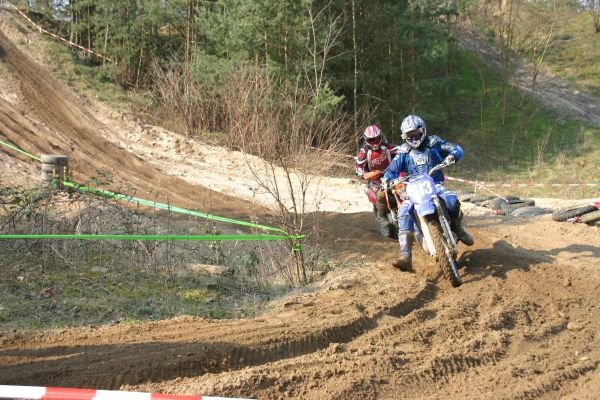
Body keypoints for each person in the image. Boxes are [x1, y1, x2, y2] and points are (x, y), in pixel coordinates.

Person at [382, 114, 473, 272]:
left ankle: (458, 228)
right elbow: (392, 169)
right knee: (403, 212)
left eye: (416, 133)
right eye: (410, 135)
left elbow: (456, 148)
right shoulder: (404, 151)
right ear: (404, 136)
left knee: (452, 200)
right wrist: (386, 179)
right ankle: (406, 255)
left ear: (422, 130)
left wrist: (452, 156)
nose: (414, 137)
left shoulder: (434, 142)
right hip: (413, 189)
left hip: (435, 184)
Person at [355, 125, 401, 238]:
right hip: (376, 180)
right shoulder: (364, 152)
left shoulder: (386, 146)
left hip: (391, 175)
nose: (375, 142)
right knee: (380, 194)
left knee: (405, 187)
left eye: (376, 138)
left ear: (380, 137)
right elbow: (358, 166)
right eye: (371, 140)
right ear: (366, 140)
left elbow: (400, 151)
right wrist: (364, 174)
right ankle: (381, 216)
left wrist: (408, 152)